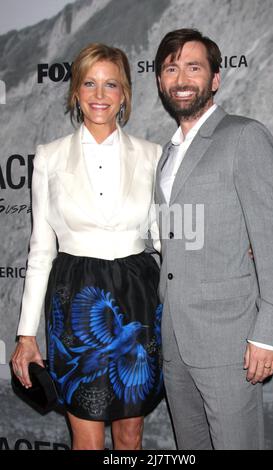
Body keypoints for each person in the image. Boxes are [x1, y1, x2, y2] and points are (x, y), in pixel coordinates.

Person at [11, 43, 163, 450]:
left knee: (130, 434)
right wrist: (26, 335)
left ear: (125, 93)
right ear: (76, 91)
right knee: (86, 433)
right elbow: (41, 249)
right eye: (90, 83)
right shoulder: (49, 156)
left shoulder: (152, 156)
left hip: (137, 297)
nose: (100, 94)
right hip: (75, 297)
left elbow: (166, 239)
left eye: (110, 84)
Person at [154, 28, 273, 450]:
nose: (181, 78)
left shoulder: (244, 135)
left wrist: (269, 331)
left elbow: (272, 239)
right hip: (175, 338)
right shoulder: (167, 154)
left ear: (215, 79)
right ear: (161, 81)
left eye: (193, 67)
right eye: (171, 68)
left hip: (230, 338)